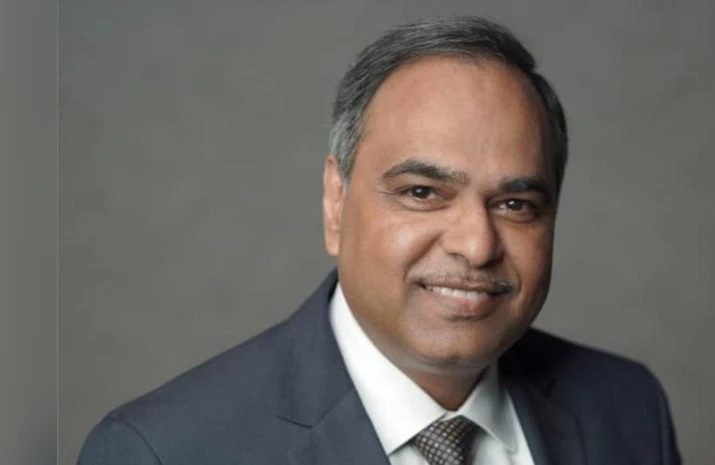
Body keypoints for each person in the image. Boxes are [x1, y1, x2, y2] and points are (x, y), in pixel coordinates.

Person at [78, 16, 681, 465]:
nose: (477, 246)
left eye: (515, 204)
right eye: (422, 192)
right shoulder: (163, 451)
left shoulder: (627, 409)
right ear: (335, 204)